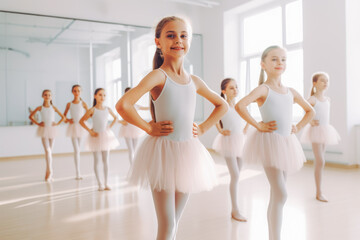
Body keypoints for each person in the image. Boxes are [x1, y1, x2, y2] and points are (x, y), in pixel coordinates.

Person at [116, 16, 228, 240]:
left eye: (183, 35)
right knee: (167, 225)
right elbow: (123, 105)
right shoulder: (158, 76)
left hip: (188, 153)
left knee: (174, 222)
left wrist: (204, 127)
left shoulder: (194, 80)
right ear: (158, 42)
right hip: (163, 155)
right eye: (171, 35)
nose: (178, 40)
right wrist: (149, 127)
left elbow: (222, 105)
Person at [235, 46, 314, 240]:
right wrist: (257, 125)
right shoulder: (264, 89)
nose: (280, 63)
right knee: (281, 193)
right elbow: (240, 105)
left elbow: (310, 111)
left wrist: (298, 126)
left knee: (277, 194)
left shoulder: (291, 91)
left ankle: (273, 236)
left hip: (287, 144)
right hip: (269, 143)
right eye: (275, 59)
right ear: (263, 64)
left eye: (283, 59)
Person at [300, 72, 340, 202]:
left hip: (326, 130)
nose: (325, 83)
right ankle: (319, 192)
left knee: (320, 162)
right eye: (322, 80)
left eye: (327, 81)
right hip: (316, 130)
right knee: (320, 161)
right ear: (315, 83)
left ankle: (319, 191)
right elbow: (304, 109)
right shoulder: (312, 99)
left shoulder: (327, 100)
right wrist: (310, 121)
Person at [212, 78, 247, 222]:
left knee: (237, 176)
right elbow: (214, 119)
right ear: (224, 91)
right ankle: (235, 209)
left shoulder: (240, 106)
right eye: (231, 88)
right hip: (228, 142)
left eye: (236, 87)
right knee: (235, 175)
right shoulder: (223, 106)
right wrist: (221, 131)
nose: (235, 90)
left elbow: (248, 120)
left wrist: (245, 130)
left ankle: (236, 206)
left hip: (241, 141)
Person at [80, 88, 119, 191]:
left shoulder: (108, 109)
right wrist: (90, 131)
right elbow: (81, 121)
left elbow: (116, 118)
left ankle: (106, 183)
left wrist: (109, 127)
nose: (102, 97)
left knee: (106, 160)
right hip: (95, 137)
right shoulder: (92, 110)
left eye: (104, 95)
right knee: (97, 160)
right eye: (100, 95)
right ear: (95, 96)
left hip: (106, 136)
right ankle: (99, 184)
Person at [29, 89, 65, 181]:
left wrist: (56, 124)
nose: (47, 96)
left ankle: (48, 173)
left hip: (52, 130)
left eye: (49, 95)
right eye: (45, 95)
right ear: (42, 96)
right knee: (48, 151)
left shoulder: (54, 108)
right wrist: (38, 123)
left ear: (51, 97)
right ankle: (50, 172)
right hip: (43, 130)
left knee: (49, 152)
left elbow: (63, 117)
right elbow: (31, 117)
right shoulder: (40, 108)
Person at [63, 84, 89, 180]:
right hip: (73, 127)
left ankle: (79, 172)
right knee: (76, 150)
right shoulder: (69, 104)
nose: (77, 92)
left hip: (81, 127)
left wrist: (83, 119)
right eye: (75, 91)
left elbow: (89, 114)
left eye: (78, 91)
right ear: (72, 92)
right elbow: (64, 117)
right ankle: (78, 172)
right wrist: (68, 120)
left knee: (79, 150)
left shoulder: (83, 103)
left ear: (81, 92)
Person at [119, 87, 148, 165]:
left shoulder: (136, 105)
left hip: (136, 129)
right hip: (127, 129)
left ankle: (134, 166)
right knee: (131, 150)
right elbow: (119, 118)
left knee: (135, 149)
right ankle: (132, 167)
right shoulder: (123, 105)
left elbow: (146, 108)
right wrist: (122, 122)